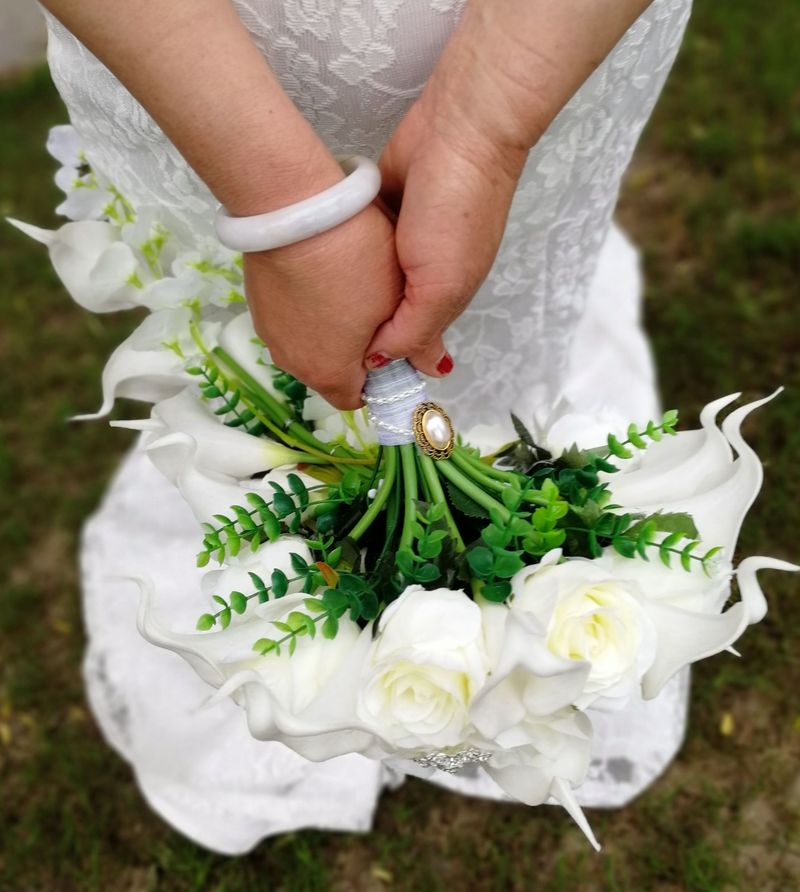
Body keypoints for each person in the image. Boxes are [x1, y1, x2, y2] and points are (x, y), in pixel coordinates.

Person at [37, 0, 693, 853]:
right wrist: (283, 211)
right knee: (239, 341)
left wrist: (485, 121)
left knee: (508, 313)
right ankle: (302, 581)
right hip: (197, 57)